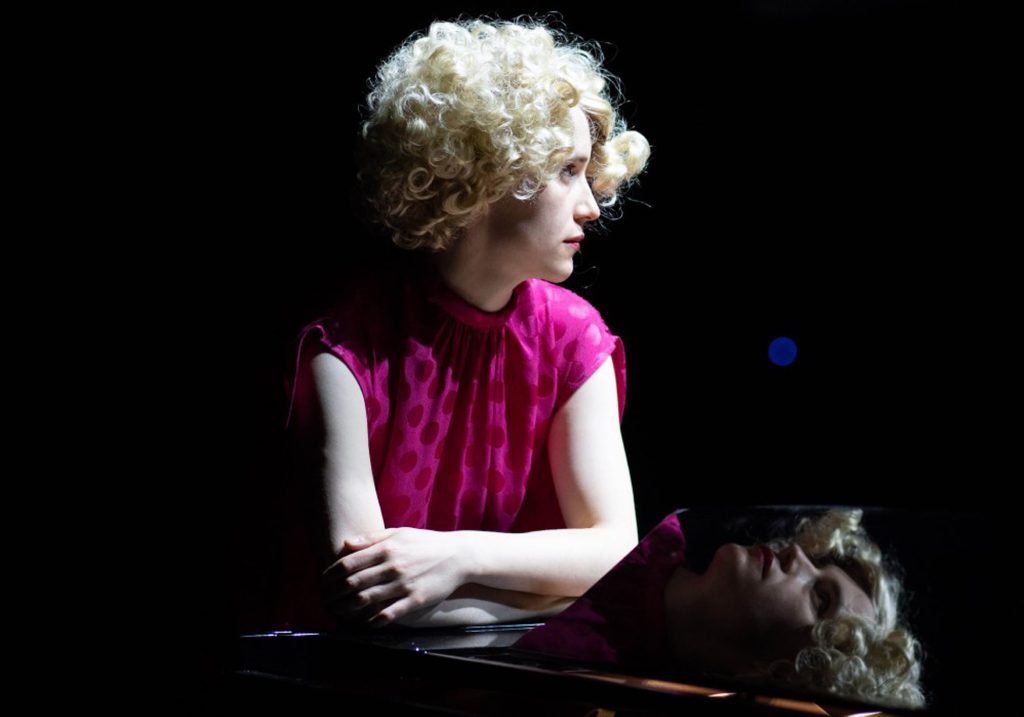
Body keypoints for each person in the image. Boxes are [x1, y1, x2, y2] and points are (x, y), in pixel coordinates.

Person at [275, 15, 651, 631]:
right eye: (566, 170)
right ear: (487, 173)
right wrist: (556, 601)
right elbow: (371, 603)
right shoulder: (347, 348)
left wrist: (456, 557)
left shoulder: (574, 339)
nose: (591, 204)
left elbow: (614, 554)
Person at [513, 507, 927, 709]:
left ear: (796, 672)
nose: (797, 555)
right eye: (818, 562)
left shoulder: (591, 696)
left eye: (820, 598)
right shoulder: (642, 518)